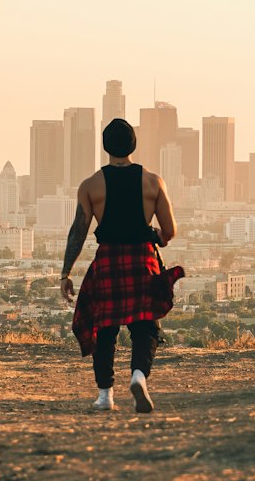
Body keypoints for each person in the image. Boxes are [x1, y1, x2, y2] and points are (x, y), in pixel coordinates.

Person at [61, 117, 184, 413]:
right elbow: (169, 230)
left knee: (104, 328)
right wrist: (158, 237)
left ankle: (105, 395)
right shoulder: (153, 182)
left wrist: (65, 272)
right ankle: (139, 376)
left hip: (108, 260)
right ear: (134, 145)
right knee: (146, 326)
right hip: (142, 258)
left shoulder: (91, 186)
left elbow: (78, 230)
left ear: (105, 147)